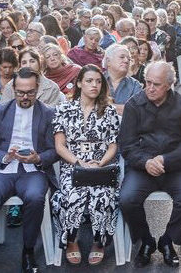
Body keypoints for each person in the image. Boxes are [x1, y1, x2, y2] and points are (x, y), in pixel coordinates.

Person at [119, 61, 181, 267]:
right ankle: (146, 241)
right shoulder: (134, 105)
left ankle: (167, 241)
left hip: (175, 167)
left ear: (169, 84)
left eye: (156, 84)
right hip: (143, 167)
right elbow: (127, 145)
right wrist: (145, 161)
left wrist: (166, 160)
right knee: (127, 199)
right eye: (147, 82)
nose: (150, 88)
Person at [0, 68, 59, 273]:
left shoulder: (48, 113)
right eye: (20, 92)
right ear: (13, 89)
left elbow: (55, 150)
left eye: (30, 92)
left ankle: (28, 251)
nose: (25, 97)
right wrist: (4, 157)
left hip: (33, 170)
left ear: (37, 89)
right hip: (2, 169)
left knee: (35, 198)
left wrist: (38, 158)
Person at [51, 64, 122, 266]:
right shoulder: (63, 109)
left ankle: (99, 242)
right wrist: (79, 162)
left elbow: (113, 146)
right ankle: (71, 241)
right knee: (71, 194)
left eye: (98, 81)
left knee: (103, 196)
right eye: (89, 81)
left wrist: (100, 162)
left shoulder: (108, 111)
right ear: (80, 83)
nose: (94, 85)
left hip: (101, 165)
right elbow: (59, 146)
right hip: (73, 165)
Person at [103, 43, 143, 115]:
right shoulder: (97, 80)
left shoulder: (135, 85)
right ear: (108, 61)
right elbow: (90, 107)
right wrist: (123, 108)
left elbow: (137, 111)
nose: (126, 61)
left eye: (129, 59)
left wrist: (106, 106)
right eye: (122, 57)